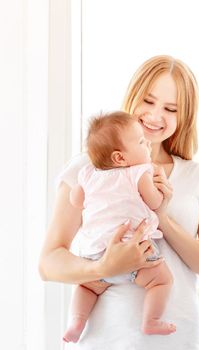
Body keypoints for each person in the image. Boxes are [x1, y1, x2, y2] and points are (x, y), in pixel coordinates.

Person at [40, 55, 199, 349]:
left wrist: (163, 218)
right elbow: (49, 263)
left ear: (185, 116)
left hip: (180, 340)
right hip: (104, 340)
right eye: (148, 101)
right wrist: (103, 267)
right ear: (133, 97)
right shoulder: (87, 169)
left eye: (171, 109)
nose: (155, 116)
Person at [63, 111, 174, 343]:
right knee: (162, 280)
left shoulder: (88, 173)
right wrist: (163, 193)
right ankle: (151, 320)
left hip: (95, 255)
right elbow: (153, 203)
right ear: (120, 158)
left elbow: (76, 201)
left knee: (86, 287)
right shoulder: (139, 172)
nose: (148, 145)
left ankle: (77, 321)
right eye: (142, 142)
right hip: (134, 250)